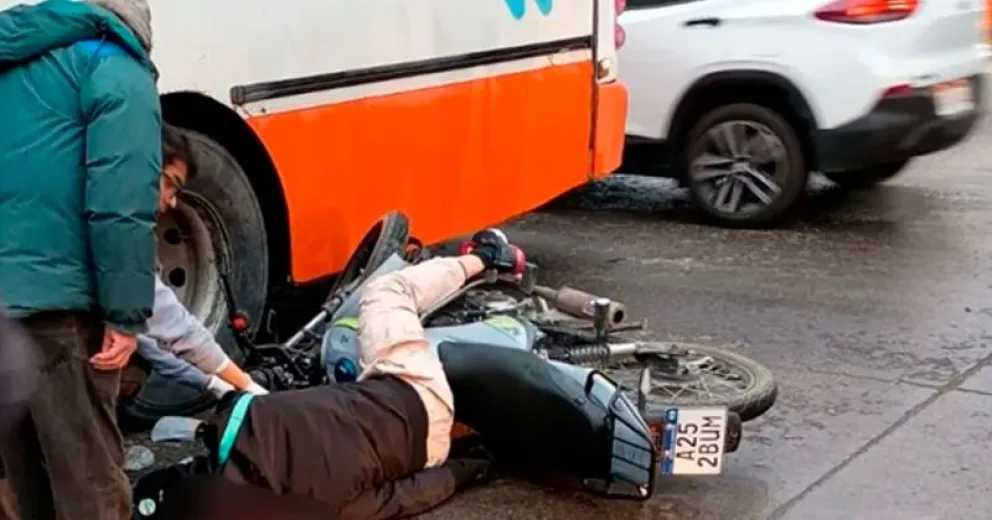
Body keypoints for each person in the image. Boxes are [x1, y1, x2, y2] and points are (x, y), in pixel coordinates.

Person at [139, 231, 524, 519]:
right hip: (412, 387)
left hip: (428, 449)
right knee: (387, 292)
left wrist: (471, 466)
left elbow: (403, 497)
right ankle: (486, 257)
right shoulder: (243, 418)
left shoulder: (309, 511)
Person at [0, 0, 160, 518]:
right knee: (88, 481)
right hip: (61, 311)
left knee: (27, 481)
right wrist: (125, 315)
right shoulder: (112, 65)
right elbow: (120, 204)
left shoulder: (13, 59)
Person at [132, 125, 267, 400]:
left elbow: (143, 335)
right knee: (126, 369)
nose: (172, 203)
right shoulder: (114, 233)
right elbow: (170, 321)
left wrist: (213, 384)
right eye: (170, 184)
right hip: (54, 351)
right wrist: (246, 384)